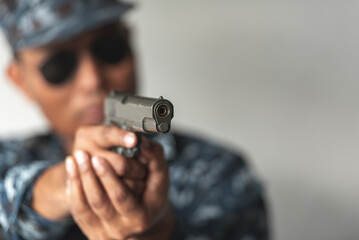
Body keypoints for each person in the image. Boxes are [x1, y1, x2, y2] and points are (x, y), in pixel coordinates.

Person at [0, 0, 269, 239]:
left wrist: (159, 234)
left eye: (109, 48)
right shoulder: (7, 159)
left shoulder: (220, 173)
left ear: (130, 41)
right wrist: (59, 188)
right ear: (20, 81)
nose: (93, 80)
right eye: (59, 65)